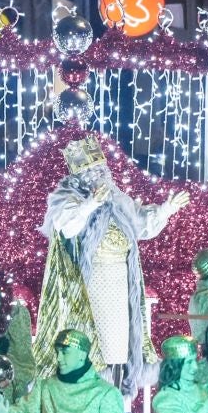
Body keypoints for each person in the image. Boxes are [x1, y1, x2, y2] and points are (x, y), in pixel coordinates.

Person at [34, 135, 190, 393]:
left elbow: (141, 225)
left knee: (120, 346)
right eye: (92, 171)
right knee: (93, 344)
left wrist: (165, 209)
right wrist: (90, 204)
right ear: (80, 175)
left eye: (101, 170)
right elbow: (66, 226)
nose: (99, 176)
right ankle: (88, 399)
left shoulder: (119, 200)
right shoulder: (69, 198)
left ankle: (118, 400)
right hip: (90, 284)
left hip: (121, 284)